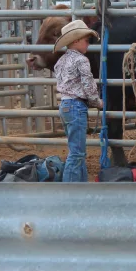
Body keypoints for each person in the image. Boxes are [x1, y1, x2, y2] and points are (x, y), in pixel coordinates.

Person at [52, 20, 103, 182]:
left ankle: (81, 186)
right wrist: (97, 102)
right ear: (76, 41)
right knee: (77, 153)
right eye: (86, 40)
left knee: (76, 150)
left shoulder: (60, 61)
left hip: (65, 105)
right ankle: (71, 192)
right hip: (76, 106)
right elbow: (88, 84)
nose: (88, 43)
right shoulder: (82, 60)